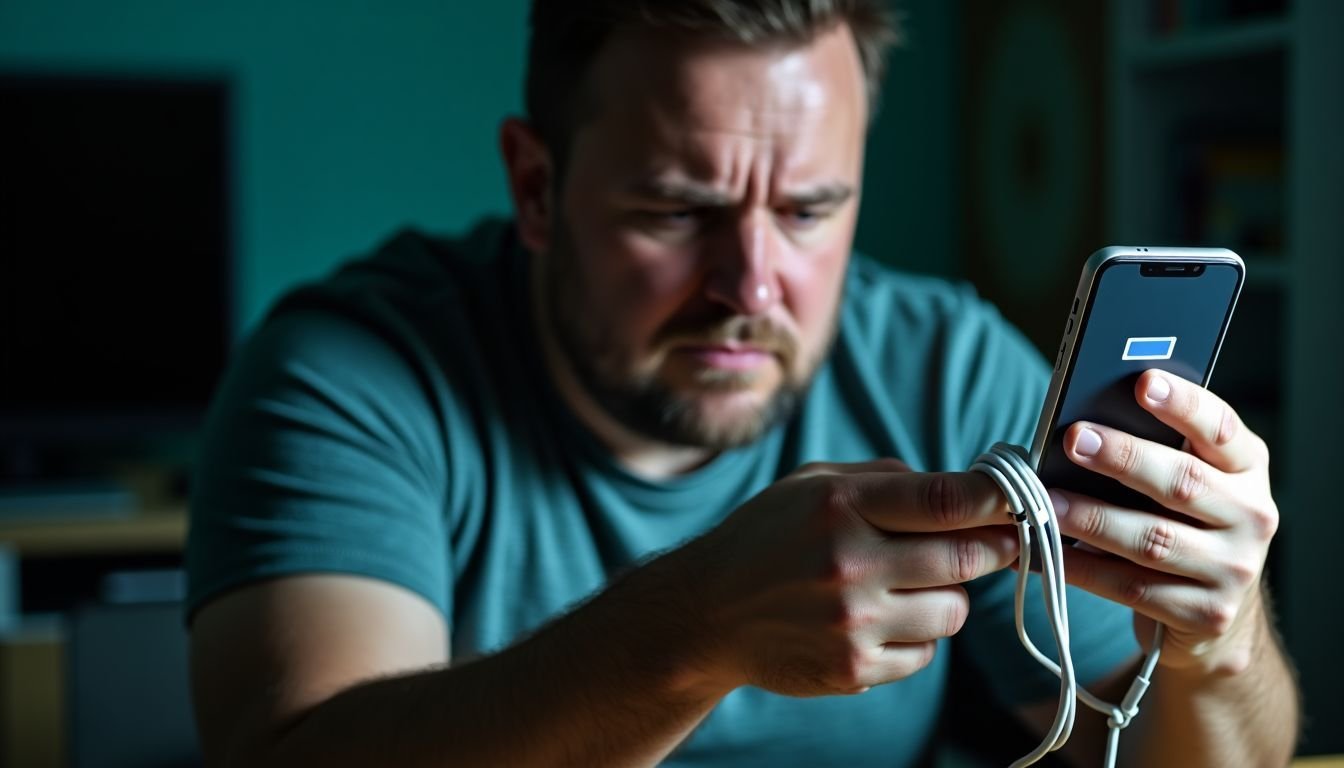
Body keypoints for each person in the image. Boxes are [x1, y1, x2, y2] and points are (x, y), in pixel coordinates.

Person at [185, 1, 1299, 765]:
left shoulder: (944, 368)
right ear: (536, 187)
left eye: (810, 211)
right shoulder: (345, 376)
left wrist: (1217, 641)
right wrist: (693, 629)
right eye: (676, 211)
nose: (752, 285)